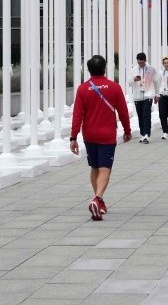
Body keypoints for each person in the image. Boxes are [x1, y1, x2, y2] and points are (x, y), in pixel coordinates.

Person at [70, 55, 132, 221]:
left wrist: (73, 137)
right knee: (105, 168)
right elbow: (123, 111)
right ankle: (97, 199)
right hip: (107, 134)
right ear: (105, 68)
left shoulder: (83, 89)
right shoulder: (114, 87)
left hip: (89, 133)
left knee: (94, 167)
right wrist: (127, 130)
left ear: (89, 70)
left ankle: (99, 200)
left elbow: (77, 114)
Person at [128, 53, 159, 144]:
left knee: (146, 114)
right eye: (139, 63)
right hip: (138, 96)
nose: (140, 64)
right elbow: (129, 84)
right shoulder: (133, 70)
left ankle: (147, 135)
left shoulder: (151, 69)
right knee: (140, 115)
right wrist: (134, 80)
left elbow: (156, 82)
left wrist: (157, 95)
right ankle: (142, 134)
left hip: (148, 95)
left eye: (142, 62)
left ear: (145, 60)